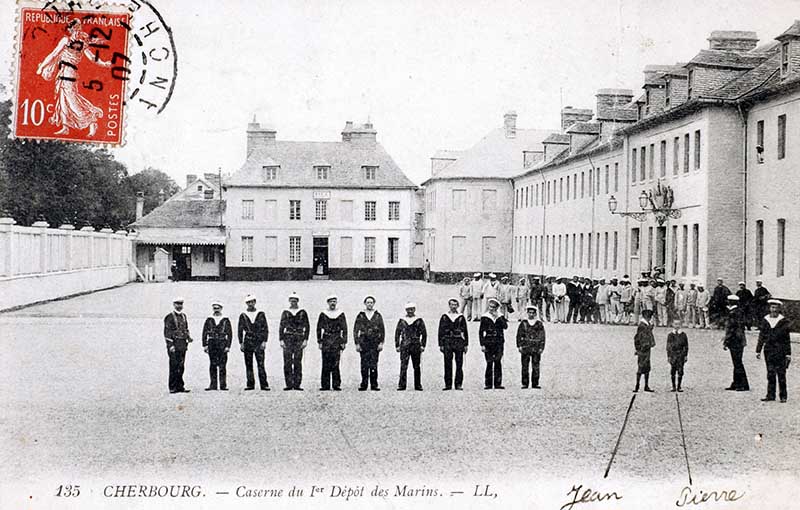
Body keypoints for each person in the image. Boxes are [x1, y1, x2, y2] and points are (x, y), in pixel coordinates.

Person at [35, 18, 112, 137]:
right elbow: (54, 54)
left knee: (72, 99)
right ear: (70, 30)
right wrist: (42, 67)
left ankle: (92, 121)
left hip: (70, 72)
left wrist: (103, 63)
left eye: (78, 28)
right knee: (63, 99)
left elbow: (92, 57)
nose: (77, 30)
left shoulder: (83, 43)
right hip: (63, 72)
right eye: (75, 28)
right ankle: (65, 127)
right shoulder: (66, 40)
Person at [756, 299, 792, 403]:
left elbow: (786, 339)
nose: (774, 310)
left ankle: (783, 396)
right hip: (768, 350)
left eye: (776, 307)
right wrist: (758, 350)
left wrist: (788, 354)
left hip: (780, 350)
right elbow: (761, 336)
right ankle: (770, 395)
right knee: (770, 373)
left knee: (781, 373)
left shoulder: (783, 321)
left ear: (779, 309)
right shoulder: (765, 320)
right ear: (769, 308)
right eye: (772, 307)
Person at [279, 292, 310, 391]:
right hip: (288, 338)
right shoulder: (285, 312)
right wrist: (281, 339)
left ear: (298, 301)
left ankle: (297, 384)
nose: (293, 302)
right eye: (292, 300)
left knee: (297, 361)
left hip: (299, 338)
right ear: (289, 301)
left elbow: (307, 326)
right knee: (287, 361)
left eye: (295, 300)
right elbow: (281, 326)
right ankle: (288, 384)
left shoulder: (302, 312)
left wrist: (305, 339)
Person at [238, 295, 270, 391]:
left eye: (252, 302)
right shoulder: (243, 315)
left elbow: (265, 329)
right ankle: (250, 384)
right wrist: (241, 343)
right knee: (248, 364)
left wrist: (264, 341)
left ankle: (264, 384)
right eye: (248, 302)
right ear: (246, 304)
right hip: (248, 340)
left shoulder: (261, 314)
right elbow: (240, 330)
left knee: (261, 364)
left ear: (255, 302)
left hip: (258, 341)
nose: (250, 304)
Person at [354, 296, 385, 391]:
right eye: (368, 302)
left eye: (371, 302)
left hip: (374, 343)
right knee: (364, 363)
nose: (370, 304)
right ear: (365, 303)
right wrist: (357, 343)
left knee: (374, 364)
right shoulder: (361, 315)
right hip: (364, 342)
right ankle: (364, 384)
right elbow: (356, 330)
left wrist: (381, 343)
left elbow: (382, 330)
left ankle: (374, 384)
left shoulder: (377, 315)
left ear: (374, 304)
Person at [317, 295, 348, 391]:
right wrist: (319, 341)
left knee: (336, 363)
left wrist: (343, 341)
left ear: (336, 302)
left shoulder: (340, 314)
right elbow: (319, 328)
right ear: (328, 302)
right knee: (325, 363)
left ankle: (336, 384)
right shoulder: (323, 314)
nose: (332, 303)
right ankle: (325, 385)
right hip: (326, 339)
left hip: (336, 339)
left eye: (334, 301)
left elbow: (345, 329)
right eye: (331, 301)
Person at [438, 298, 469, 390]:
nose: (453, 306)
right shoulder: (444, 317)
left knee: (459, 363)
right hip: (447, 341)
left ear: (458, 306)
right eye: (452, 305)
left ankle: (458, 384)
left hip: (458, 340)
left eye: (455, 305)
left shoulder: (460, 317)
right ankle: (448, 384)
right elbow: (440, 331)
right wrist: (441, 344)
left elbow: (465, 331)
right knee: (447, 363)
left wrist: (466, 344)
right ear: (449, 305)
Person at [395, 302, 427, 391]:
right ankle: (402, 385)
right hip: (405, 344)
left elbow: (424, 333)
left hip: (416, 344)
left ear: (414, 310)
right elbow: (397, 333)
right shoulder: (402, 320)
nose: (410, 311)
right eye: (408, 309)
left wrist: (423, 345)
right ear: (406, 310)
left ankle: (418, 385)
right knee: (403, 365)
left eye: (412, 309)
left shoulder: (419, 320)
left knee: (416, 365)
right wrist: (397, 345)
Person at [202, 301, 233, 391]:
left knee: (223, 365)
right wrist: (205, 345)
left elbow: (230, 334)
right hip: (212, 343)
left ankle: (223, 385)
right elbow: (204, 333)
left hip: (222, 343)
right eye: (214, 308)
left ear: (221, 308)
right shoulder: (209, 319)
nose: (216, 310)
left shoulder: (225, 320)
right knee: (212, 364)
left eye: (218, 308)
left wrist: (228, 346)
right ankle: (213, 385)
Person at [164, 297, 192, 393]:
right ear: (174, 305)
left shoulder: (184, 316)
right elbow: (167, 332)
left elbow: (186, 328)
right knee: (173, 365)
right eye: (177, 304)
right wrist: (170, 345)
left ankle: (180, 386)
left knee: (181, 365)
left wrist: (188, 337)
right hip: (174, 344)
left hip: (182, 344)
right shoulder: (169, 317)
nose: (179, 306)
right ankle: (172, 386)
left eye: (181, 304)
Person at [479, 298, 508, 389]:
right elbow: (481, 332)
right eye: (490, 307)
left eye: (493, 307)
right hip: (489, 341)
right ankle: (488, 383)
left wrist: (499, 317)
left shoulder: (500, 316)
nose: (491, 309)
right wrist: (482, 344)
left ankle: (497, 383)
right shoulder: (485, 317)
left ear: (496, 308)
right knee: (489, 362)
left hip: (498, 341)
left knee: (498, 361)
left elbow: (505, 326)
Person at [723, 295, 749, 391]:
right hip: (739, 340)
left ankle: (742, 384)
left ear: (730, 302)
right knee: (737, 362)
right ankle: (737, 383)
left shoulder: (733, 313)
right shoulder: (739, 312)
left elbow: (731, 329)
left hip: (735, 341)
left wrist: (726, 341)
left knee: (737, 363)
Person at [517, 305, 545, 389]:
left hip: (535, 347)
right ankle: (525, 383)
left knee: (536, 365)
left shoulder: (539, 324)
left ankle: (535, 383)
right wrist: (519, 345)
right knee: (525, 366)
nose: (531, 314)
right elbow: (519, 335)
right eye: (530, 312)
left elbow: (542, 336)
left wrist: (541, 347)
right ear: (527, 313)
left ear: (535, 314)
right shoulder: (523, 323)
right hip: (526, 346)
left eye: (533, 313)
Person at [634, 309, 655, 392]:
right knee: (642, 367)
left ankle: (642, 385)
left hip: (646, 348)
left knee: (646, 367)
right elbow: (638, 338)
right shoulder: (642, 326)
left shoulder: (645, 325)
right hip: (644, 349)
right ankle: (639, 385)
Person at [666, 319, 688, 392]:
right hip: (673, 355)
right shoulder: (670, 335)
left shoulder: (683, 335)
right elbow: (668, 347)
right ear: (673, 324)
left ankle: (679, 386)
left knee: (680, 371)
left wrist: (685, 355)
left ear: (680, 325)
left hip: (681, 355)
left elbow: (686, 346)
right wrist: (669, 356)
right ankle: (673, 386)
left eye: (678, 324)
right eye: (675, 324)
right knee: (673, 370)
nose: (677, 326)